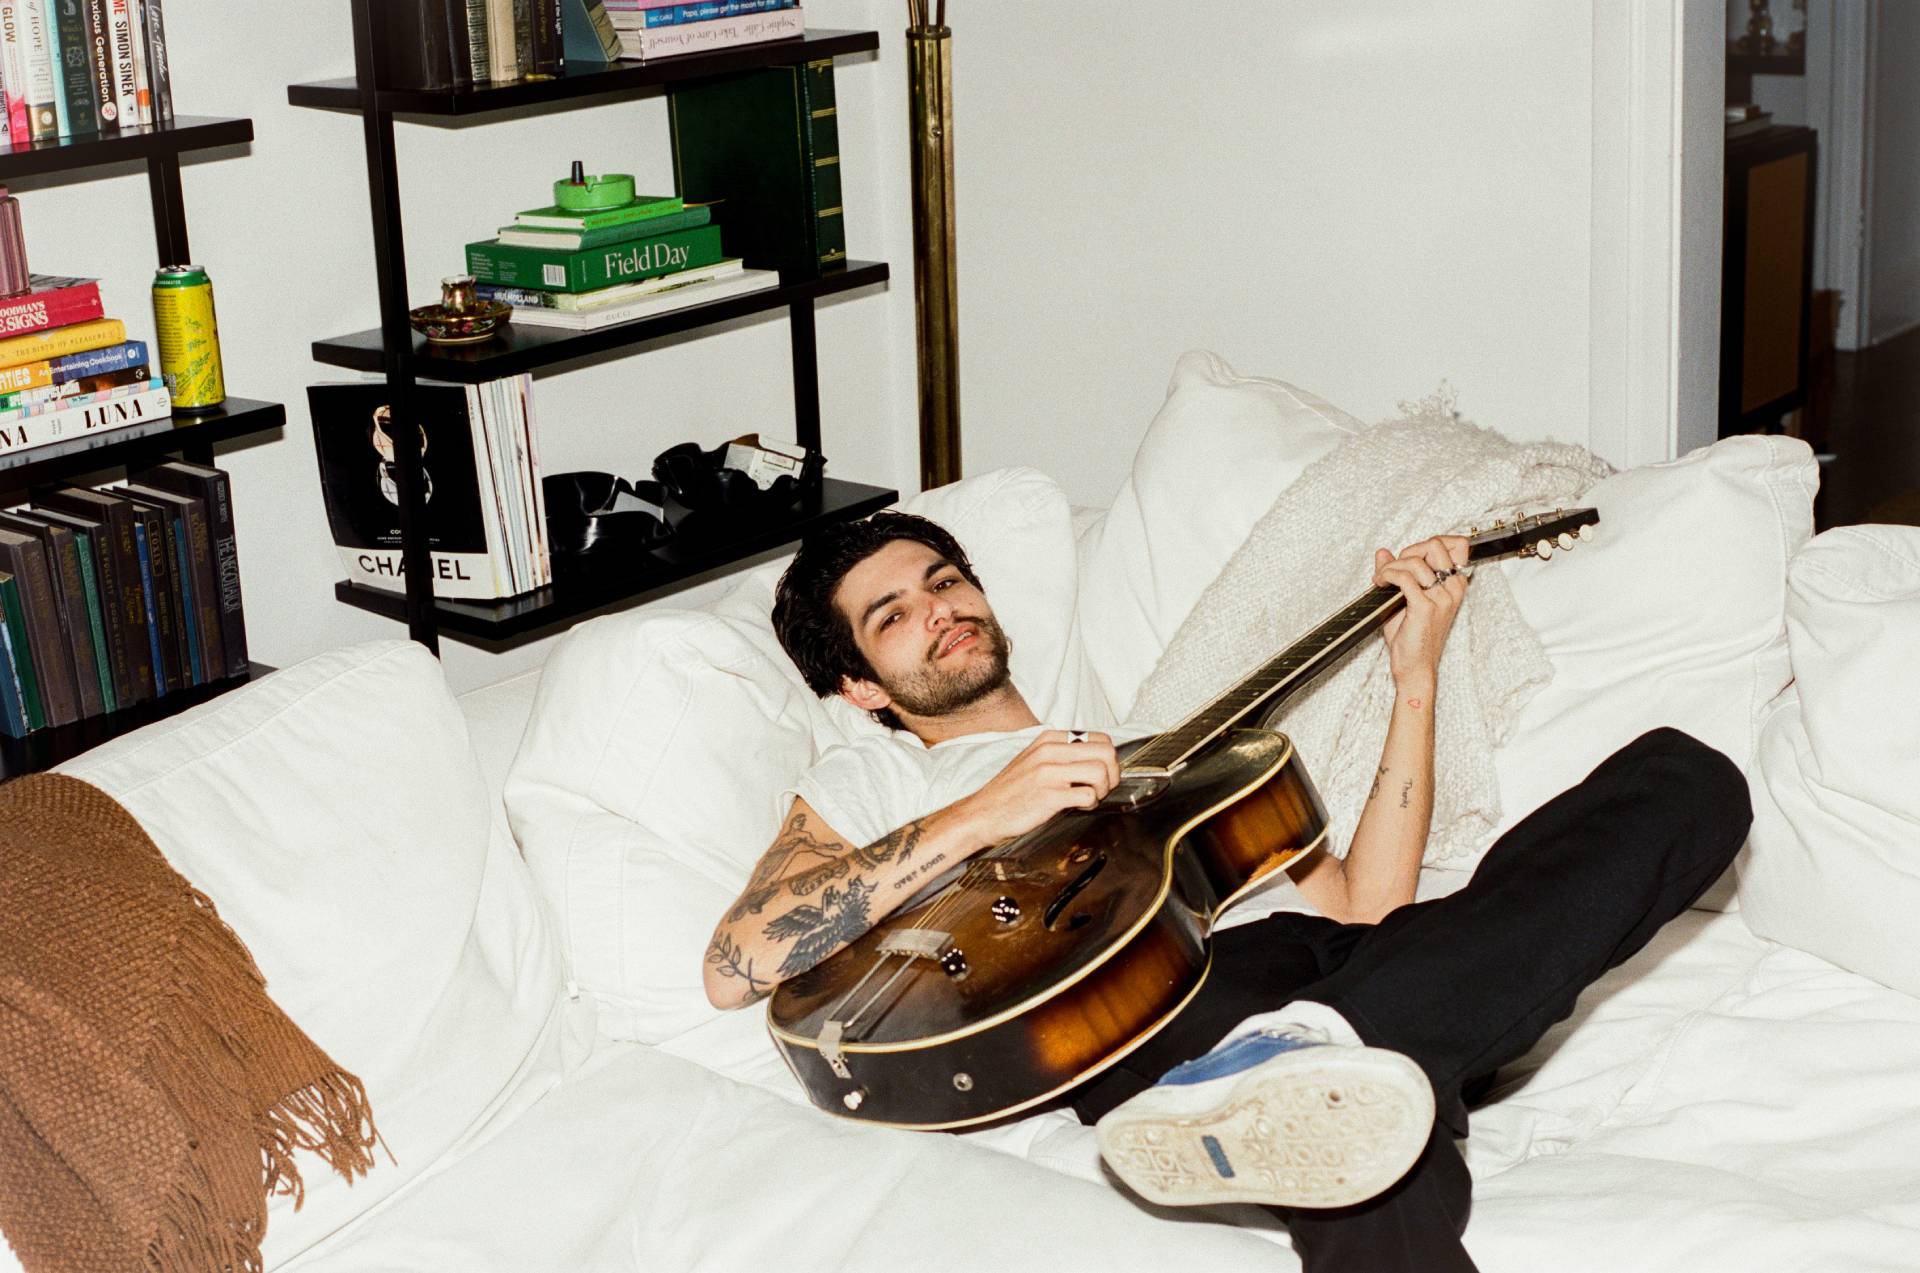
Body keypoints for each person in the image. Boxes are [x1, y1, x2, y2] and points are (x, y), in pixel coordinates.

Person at [703, 511, 1751, 1273]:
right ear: (862, 688)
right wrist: (988, 809)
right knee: (1375, 1137)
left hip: (1336, 973)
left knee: (1689, 783)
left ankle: (1319, 1055)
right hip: (1159, 1001)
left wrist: (1415, 672)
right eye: (894, 614)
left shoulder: (1160, 753)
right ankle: (1323, 1061)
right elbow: (735, 959)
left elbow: (1363, 914)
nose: (940, 608)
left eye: (945, 579)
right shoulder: (885, 780)